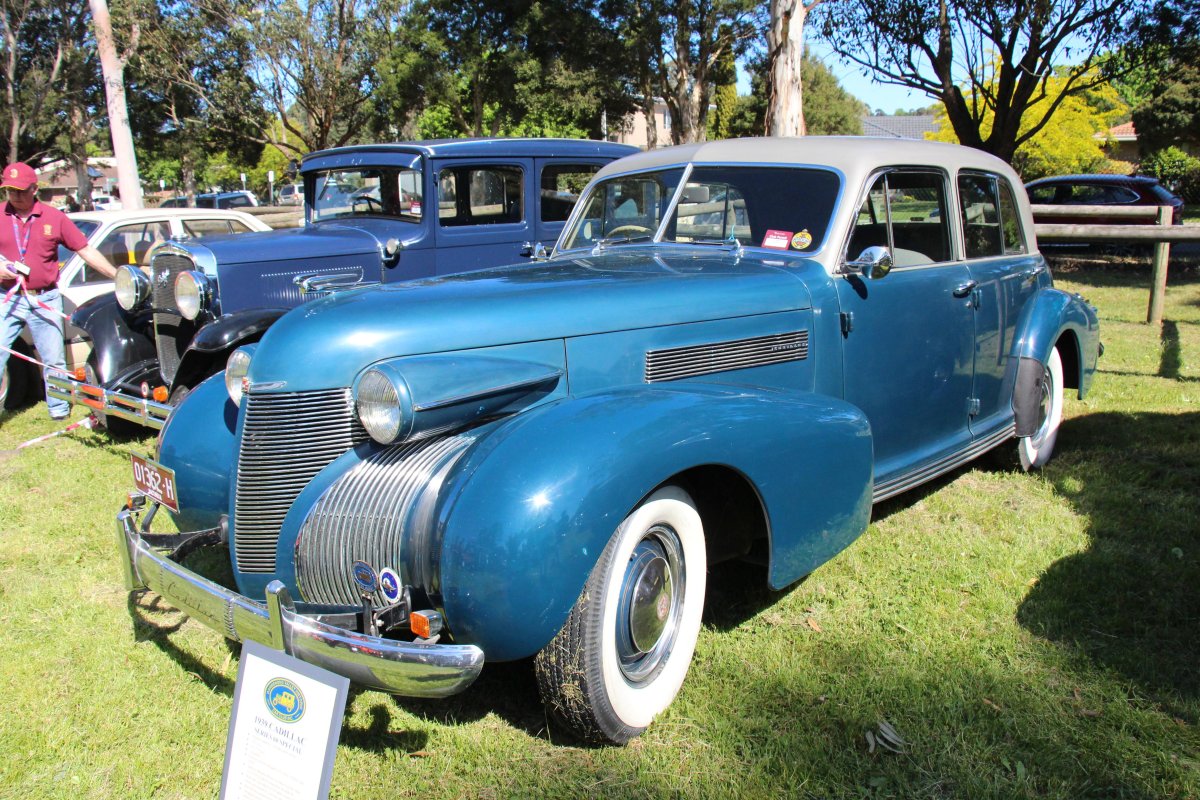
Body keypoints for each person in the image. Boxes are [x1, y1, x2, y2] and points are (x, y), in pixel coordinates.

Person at [0, 162, 118, 420]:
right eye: (10, 191)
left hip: (45, 297)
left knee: (53, 360)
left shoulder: (54, 218)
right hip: (6, 298)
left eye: (20, 190)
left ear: (35, 189)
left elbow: (85, 250)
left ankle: (59, 410)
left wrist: (116, 276)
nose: (15, 196)